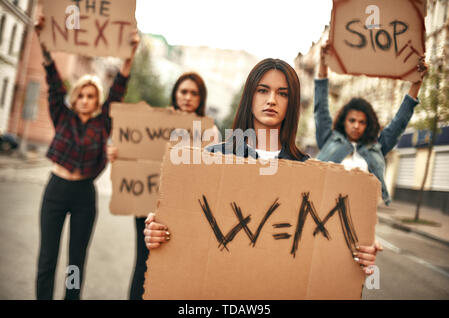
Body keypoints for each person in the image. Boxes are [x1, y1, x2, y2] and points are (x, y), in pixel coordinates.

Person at [143, 58, 381, 276]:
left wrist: (358, 254)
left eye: (283, 93)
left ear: (293, 102)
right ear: (250, 97)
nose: (271, 100)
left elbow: (326, 246)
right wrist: (159, 233)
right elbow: (185, 229)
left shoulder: (309, 173)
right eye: (263, 90)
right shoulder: (212, 158)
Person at [34, 16, 139, 300]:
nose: (84, 100)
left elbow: (120, 86)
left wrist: (130, 53)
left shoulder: (103, 121)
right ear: (75, 97)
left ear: (97, 100)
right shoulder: (62, 116)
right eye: (81, 95)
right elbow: (53, 79)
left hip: (83, 195)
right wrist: (43, 40)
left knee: (75, 262)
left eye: (91, 96)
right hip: (56, 189)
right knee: (47, 258)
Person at [107, 71, 219, 300]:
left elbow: (213, 173)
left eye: (194, 93)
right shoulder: (156, 123)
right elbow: (136, 157)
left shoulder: (210, 132)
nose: (188, 97)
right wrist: (118, 154)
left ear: (201, 98)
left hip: (185, 210)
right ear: (175, 94)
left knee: (175, 265)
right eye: (183, 91)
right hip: (146, 202)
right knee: (144, 263)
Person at [315, 42, 428, 205]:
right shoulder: (328, 140)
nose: (356, 125)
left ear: (368, 125)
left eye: (362, 122)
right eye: (352, 120)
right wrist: (323, 64)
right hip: (324, 209)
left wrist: (416, 83)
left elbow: (398, 124)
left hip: (359, 215)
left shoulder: (376, 149)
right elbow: (321, 109)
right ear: (343, 121)